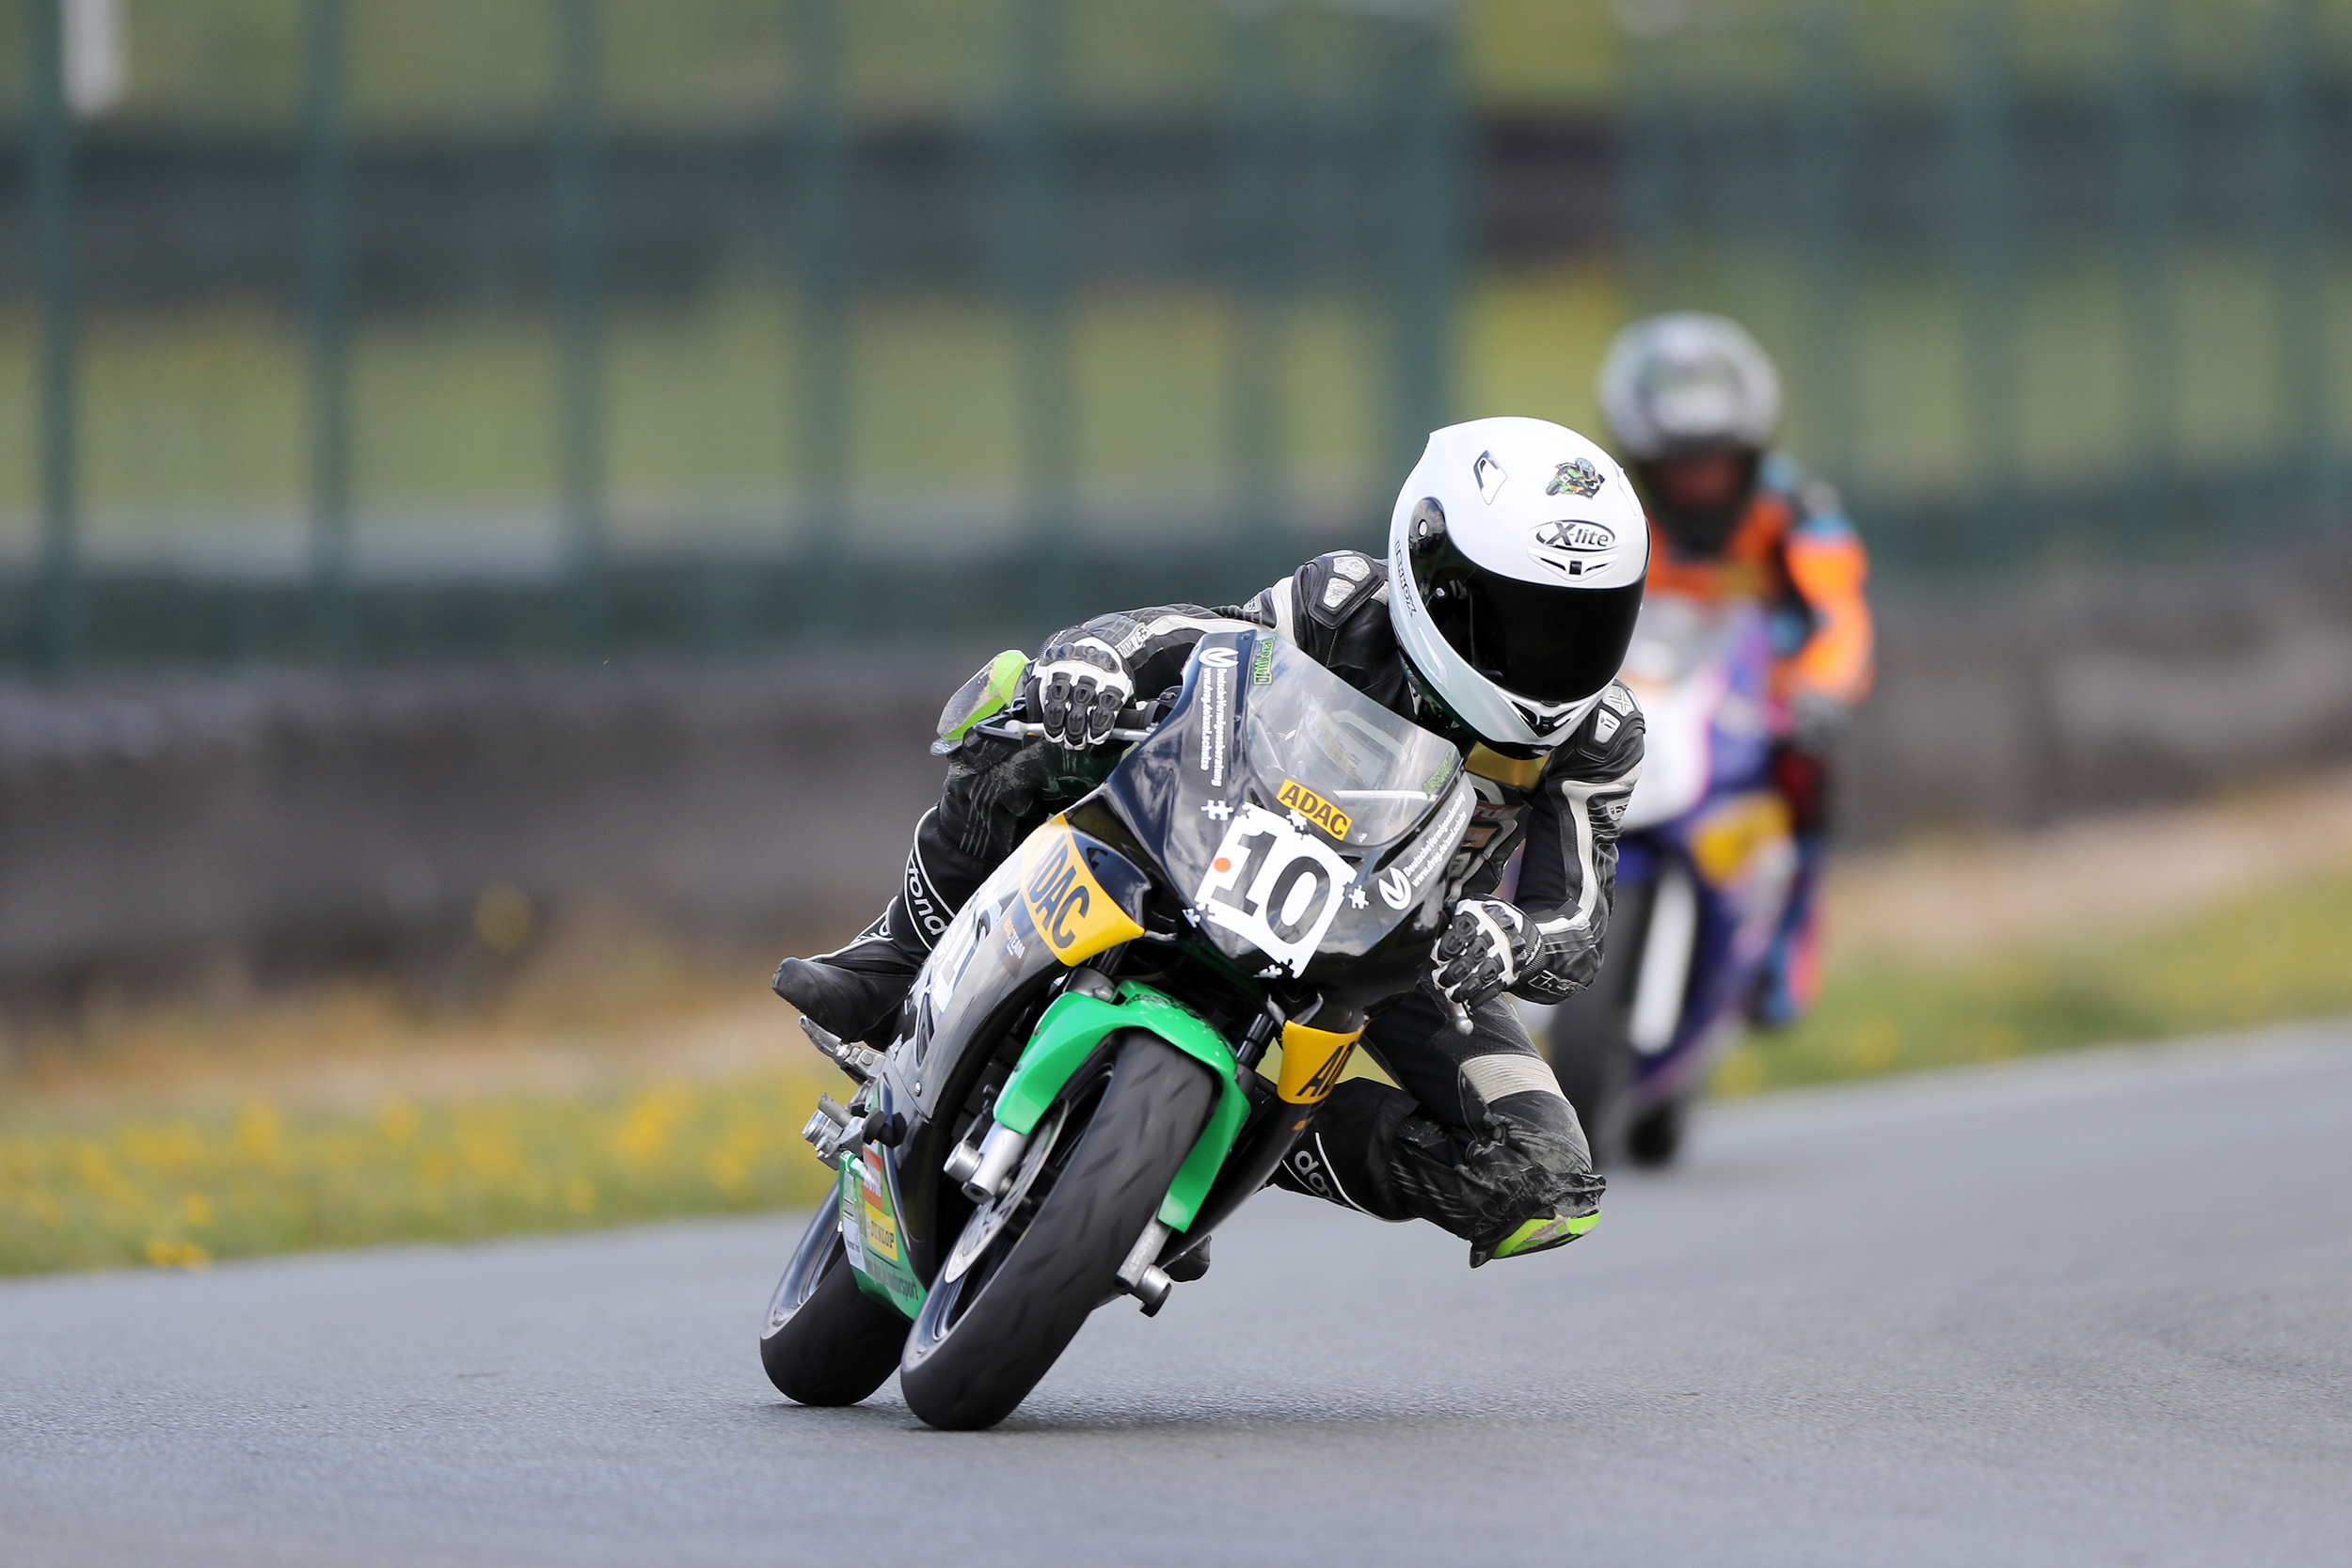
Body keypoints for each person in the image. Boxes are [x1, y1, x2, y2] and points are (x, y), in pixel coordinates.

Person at [774, 416, 1649, 1267]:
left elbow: (1577, 916)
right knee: (1021, 701)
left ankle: (1223, 1141)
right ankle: (901, 953)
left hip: (1403, 940)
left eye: (1587, 624)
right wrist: (1097, 660)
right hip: (1220, 819)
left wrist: (1513, 936)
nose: (1556, 655)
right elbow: (1196, 635)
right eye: (1526, 619)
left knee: (1547, 1179)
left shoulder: (1599, 734)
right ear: (1436, 575)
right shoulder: (1345, 601)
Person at [1596, 312, 1874, 1028]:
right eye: (1678, 465)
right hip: (1629, 696)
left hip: (1749, 704)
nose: (1699, 484)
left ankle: (1786, 940)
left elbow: (1839, 613)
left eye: (1715, 462)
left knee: (1809, 771)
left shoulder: (1796, 510)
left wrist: (1823, 691)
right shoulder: (1606, 507)